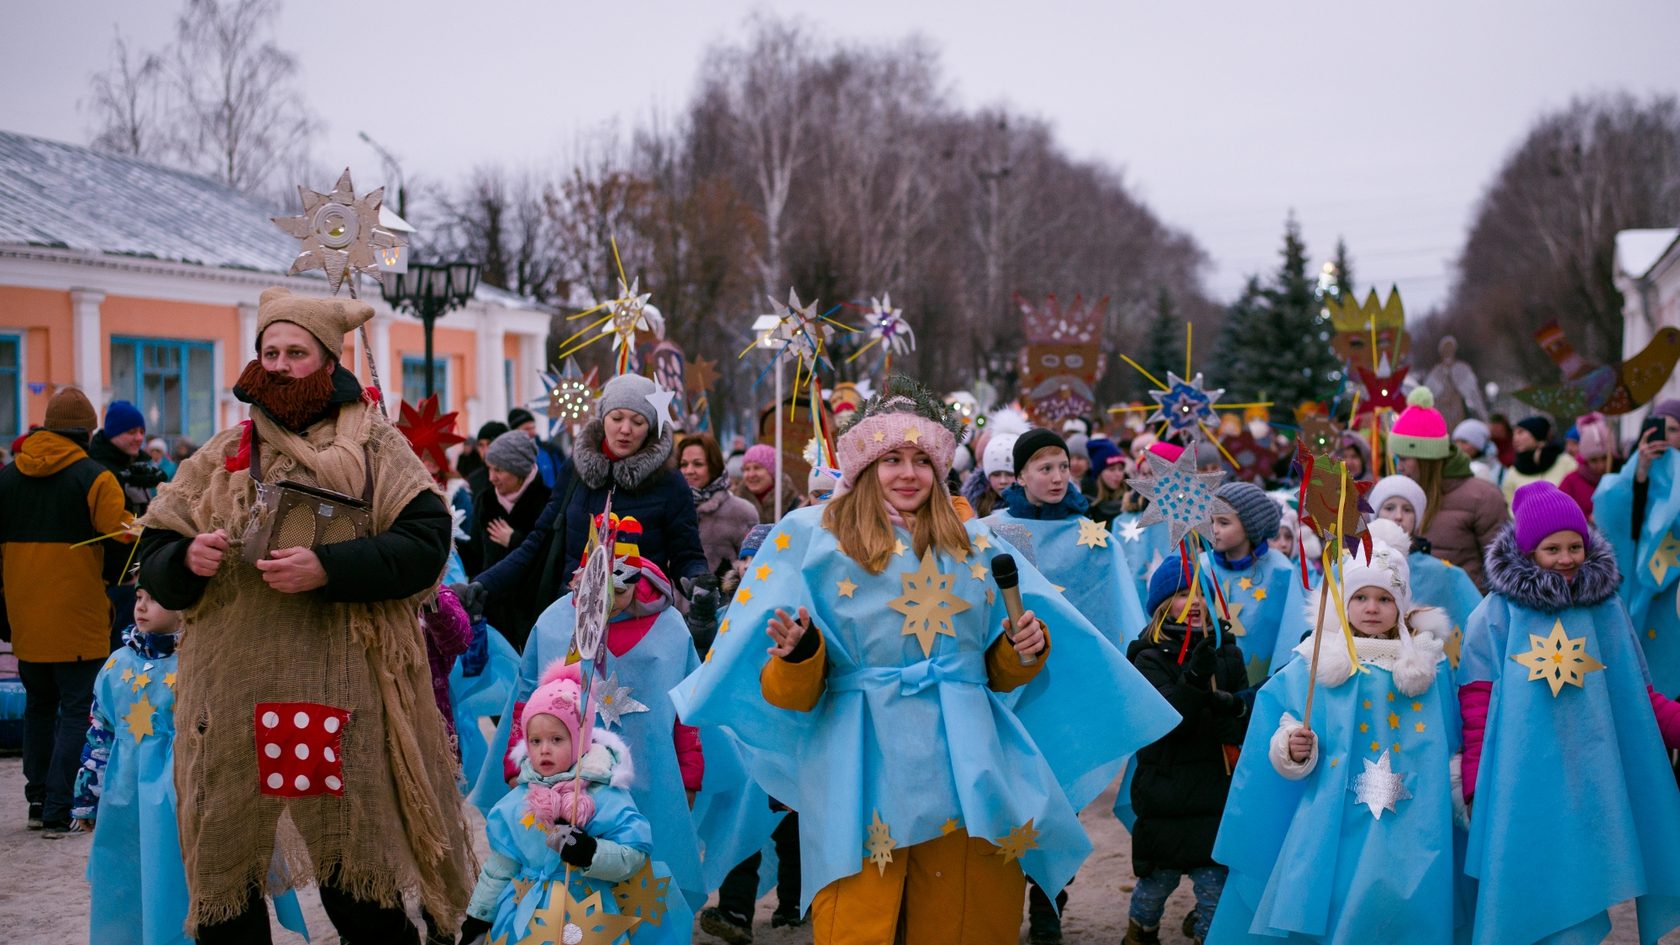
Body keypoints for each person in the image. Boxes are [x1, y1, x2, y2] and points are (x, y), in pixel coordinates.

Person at [671, 377, 1180, 945]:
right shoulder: (812, 542)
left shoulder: (977, 545)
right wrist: (800, 654)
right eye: (892, 458)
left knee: (965, 909)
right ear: (865, 465)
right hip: (860, 758)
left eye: (919, 459)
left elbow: (996, 670)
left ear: (939, 470)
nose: (907, 473)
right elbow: (790, 693)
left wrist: (1022, 649)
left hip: (964, 755)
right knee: (861, 914)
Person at [136, 287, 473, 942]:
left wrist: (329, 569)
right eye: (271, 351)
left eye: (297, 351)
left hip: (338, 694)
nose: (283, 363)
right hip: (230, 706)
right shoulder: (220, 453)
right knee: (228, 885)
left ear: (327, 360)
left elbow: (427, 545)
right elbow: (152, 554)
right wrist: (186, 558)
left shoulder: (377, 447)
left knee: (356, 883)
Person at [1208, 534, 1465, 945]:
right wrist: (1291, 747)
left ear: (1401, 605)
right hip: (1334, 813)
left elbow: (1449, 736)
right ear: (1343, 602)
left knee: (1404, 899)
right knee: (1338, 892)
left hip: (1414, 816)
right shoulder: (1317, 663)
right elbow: (1286, 720)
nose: (1372, 608)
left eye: (1384, 598)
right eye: (1361, 597)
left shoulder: (1424, 666)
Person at [1459, 482, 1680, 945]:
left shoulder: (1607, 609)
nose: (1566, 558)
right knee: (1533, 869)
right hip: (1525, 778)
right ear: (1527, 550)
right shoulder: (1497, 615)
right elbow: (1478, 699)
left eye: (1575, 545)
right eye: (1552, 548)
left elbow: (1635, 696)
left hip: (1594, 776)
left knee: (1585, 873)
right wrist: (1476, 776)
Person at [981, 427, 1151, 943]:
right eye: (1044, 468)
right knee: (1009, 804)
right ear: (1020, 474)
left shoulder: (1091, 536)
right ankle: (1003, 904)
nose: (1056, 477)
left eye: (1063, 467)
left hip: (1068, 693)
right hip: (1004, 692)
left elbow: (1115, 613)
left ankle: (1050, 904)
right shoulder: (990, 531)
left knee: (1060, 803)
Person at [71, 586, 311, 945]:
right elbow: (100, 734)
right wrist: (86, 797)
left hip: (190, 794)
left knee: (186, 877)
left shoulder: (204, 662)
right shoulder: (116, 665)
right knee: (135, 877)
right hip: (129, 800)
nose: (141, 607)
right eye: (138, 597)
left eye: (156, 597)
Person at [459, 660, 690, 945]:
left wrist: (590, 852)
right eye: (535, 740)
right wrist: (478, 918)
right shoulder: (515, 802)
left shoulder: (605, 796)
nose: (544, 749)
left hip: (591, 917)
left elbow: (633, 854)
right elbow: (501, 866)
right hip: (526, 914)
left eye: (557, 739)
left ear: (580, 738)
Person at [458, 374, 712, 630]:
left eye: (638, 421)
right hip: (574, 618)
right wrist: (483, 584)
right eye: (617, 418)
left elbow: (686, 554)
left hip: (641, 623)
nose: (625, 429)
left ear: (651, 427)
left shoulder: (670, 481)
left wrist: (698, 581)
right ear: (602, 419)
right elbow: (536, 542)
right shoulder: (576, 471)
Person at [0, 387, 136, 834]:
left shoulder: (7, 477)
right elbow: (121, 546)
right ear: (88, 430)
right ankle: (61, 806)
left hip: (25, 615)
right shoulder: (95, 478)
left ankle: (38, 799)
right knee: (78, 710)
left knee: (39, 706)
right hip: (79, 616)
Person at [1125, 561, 1250, 945]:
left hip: (1214, 791)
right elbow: (1166, 723)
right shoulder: (1147, 656)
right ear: (1163, 604)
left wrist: (1235, 705)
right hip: (1166, 791)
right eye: (1182, 593)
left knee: (1215, 888)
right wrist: (1195, 680)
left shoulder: (1227, 652)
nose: (1194, 601)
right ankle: (1140, 935)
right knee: (1154, 887)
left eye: (1201, 592)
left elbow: (1240, 722)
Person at [1593, 400, 1680, 695]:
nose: (1666, 437)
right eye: (1660, 429)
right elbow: (1620, 514)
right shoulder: (1634, 469)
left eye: (1675, 430)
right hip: (1638, 580)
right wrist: (1640, 470)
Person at [1387, 388, 1509, 591]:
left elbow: (1502, 571)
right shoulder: (1401, 497)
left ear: (1426, 458)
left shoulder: (1483, 497)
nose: (1399, 467)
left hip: (1464, 616)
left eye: (1405, 458)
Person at [1189, 481, 1294, 685]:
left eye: (1224, 523)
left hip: (1262, 686)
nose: (1214, 530)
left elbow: (1292, 632)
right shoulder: (1202, 567)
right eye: (1211, 521)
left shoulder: (1280, 570)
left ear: (1249, 525)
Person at [471, 430, 553, 649]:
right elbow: (475, 553)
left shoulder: (546, 502)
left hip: (531, 613)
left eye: (498, 470)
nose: (491, 477)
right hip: (492, 611)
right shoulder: (486, 500)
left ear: (518, 469)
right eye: (489, 468)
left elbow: (548, 556)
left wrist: (516, 540)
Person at [677, 431, 759, 575]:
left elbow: (754, 567)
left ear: (713, 466)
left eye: (698, 464)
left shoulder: (742, 512)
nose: (689, 471)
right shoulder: (670, 507)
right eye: (683, 464)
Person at [1500, 415, 1578, 505]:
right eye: (1514, 434)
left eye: (1520, 432)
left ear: (1536, 433)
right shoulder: (1513, 472)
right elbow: (1511, 506)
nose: (1515, 438)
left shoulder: (1565, 463)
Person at [1422, 335, 1487, 431]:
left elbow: (1474, 394)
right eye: (1445, 349)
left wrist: (1484, 417)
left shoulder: (1462, 369)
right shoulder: (1435, 372)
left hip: (1457, 410)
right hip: (1441, 410)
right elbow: (1427, 396)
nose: (1448, 351)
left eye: (1450, 348)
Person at [1558, 412, 1614, 518]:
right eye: (1594, 460)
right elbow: (1560, 510)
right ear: (1586, 459)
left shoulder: (1619, 476)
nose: (1601, 465)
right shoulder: (1571, 481)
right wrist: (1586, 517)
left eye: (1605, 458)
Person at [734, 443, 801, 524]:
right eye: (747, 469)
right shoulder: (734, 505)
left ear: (772, 472)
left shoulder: (795, 505)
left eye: (757, 468)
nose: (751, 474)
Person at [1085, 437, 1131, 525]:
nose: (1118, 474)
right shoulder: (1086, 505)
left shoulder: (1132, 499)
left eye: (1120, 469)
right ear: (1099, 473)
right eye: (1111, 469)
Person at [1452, 418, 1501, 484]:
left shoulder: (1499, 472)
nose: (1459, 446)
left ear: (1479, 444)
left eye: (1464, 442)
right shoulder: (1452, 468)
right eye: (1456, 442)